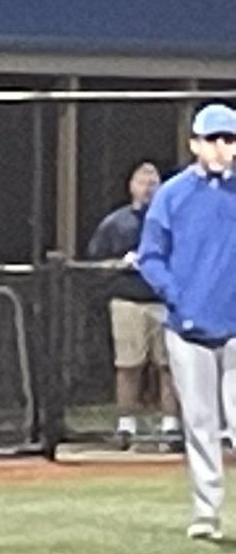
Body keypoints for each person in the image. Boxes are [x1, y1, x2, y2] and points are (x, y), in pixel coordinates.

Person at [137, 105, 236, 539]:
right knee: (199, 423)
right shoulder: (173, 194)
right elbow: (151, 256)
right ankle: (207, 512)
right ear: (194, 143)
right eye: (213, 139)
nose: (222, 148)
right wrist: (179, 298)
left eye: (229, 140)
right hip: (187, 328)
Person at [88, 161, 173, 449]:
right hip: (127, 302)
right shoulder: (115, 223)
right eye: (142, 182)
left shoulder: (170, 221)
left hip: (164, 303)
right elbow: (95, 264)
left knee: (168, 367)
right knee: (128, 365)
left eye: (153, 182)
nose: (148, 188)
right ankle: (126, 426)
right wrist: (121, 264)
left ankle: (170, 426)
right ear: (131, 186)